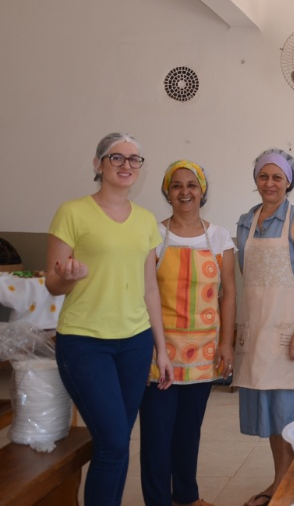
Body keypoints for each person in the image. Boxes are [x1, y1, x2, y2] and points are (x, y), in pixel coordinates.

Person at [45, 132, 174, 506]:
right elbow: (52, 282)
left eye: (134, 159)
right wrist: (65, 277)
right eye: (116, 157)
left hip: (134, 343)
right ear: (98, 164)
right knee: (114, 442)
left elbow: (150, 288)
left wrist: (160, 350)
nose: (126, 165)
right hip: (85, 342)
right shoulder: (72, 212)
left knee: (116, 443)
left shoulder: (147, 221)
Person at [139, 160, 237, 506]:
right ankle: (157, 501)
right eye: (177, 185)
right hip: (159, 352)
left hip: (203, 350)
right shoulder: (153, 234)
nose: (185, 192)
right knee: (157, 433)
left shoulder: (219, 237)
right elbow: (144, 292)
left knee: (188, 429)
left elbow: (228, 294)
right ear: (167, 192)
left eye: (191, 185)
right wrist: (156, 348)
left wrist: (226, 342)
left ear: (202, 191)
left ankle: (187, 496)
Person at [235, 149, 294, 506]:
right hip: (258, 330)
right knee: (270, 416)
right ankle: (279, 481)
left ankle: (293, 485)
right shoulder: (246, 220)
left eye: (277, 177)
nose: (269, 183)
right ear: (255, 179)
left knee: (289, 414)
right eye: (263, 176)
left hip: (289, 330)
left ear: (289, 181)